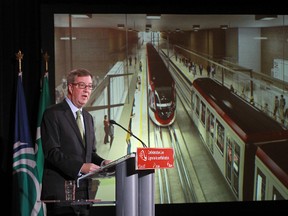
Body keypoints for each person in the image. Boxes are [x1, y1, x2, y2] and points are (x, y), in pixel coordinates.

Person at [41, 68, 111, 216]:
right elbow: (52, 152)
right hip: (60, 194)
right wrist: (80, 167)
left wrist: (103, 163)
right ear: (71, 87)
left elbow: (90, 154)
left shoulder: (88, 118)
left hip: (83, 194)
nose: (87, 90)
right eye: (82, 85)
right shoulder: (53, 114)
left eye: (90, 86)